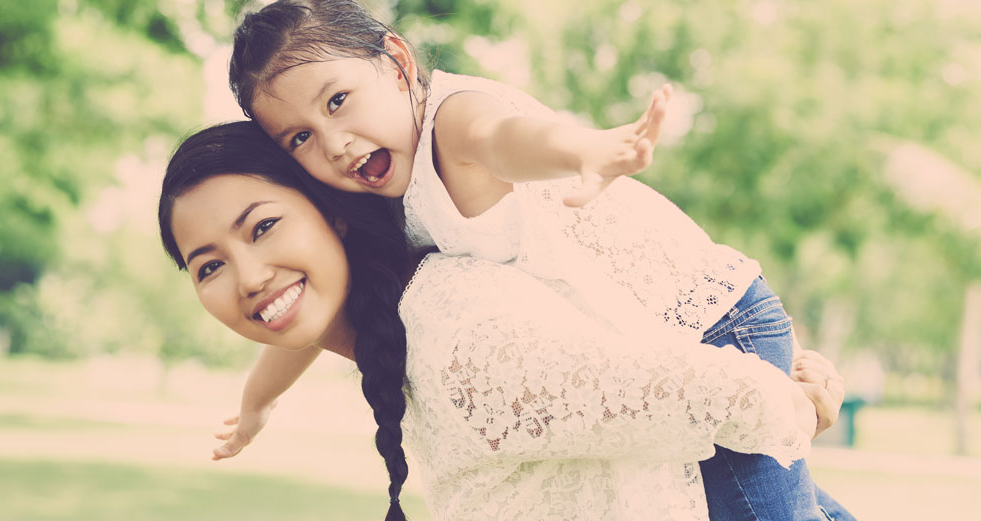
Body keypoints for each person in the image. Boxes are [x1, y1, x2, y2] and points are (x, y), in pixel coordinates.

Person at [224, 1, 855, 520]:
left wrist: (583, 149)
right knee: (769, 502)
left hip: (713, 325)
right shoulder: (377, 196)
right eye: (300, 137)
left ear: (395, 62)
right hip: (656, 356)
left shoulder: (451, 124)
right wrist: (257, 404)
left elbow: (505, 139)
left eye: (338, 101)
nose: (334, 144)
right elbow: (321, 304)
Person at [158, 121, 842, 521]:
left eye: (264, 227)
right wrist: (255, 404)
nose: (247, 277)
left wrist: (789, 403)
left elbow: (682, 385)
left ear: (332, 210)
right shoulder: (401, 331)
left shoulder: (452, 334)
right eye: (208, 266)